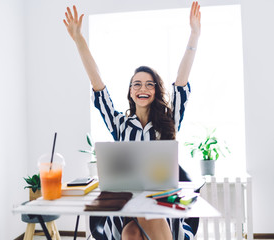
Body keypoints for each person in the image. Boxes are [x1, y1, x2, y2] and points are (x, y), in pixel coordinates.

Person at [64, 2, 201, 239]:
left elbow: (181, 81)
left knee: (143, 223)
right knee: (129, 234)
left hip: (161, 204)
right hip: (127, 204)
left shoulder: (169, 121)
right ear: (130, 92)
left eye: (149, 84)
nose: (142, 88)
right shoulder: (119, 125)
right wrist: (79, 40)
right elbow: (97, 84)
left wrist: (194, 34)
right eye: (136, 84)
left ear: (156, 91)